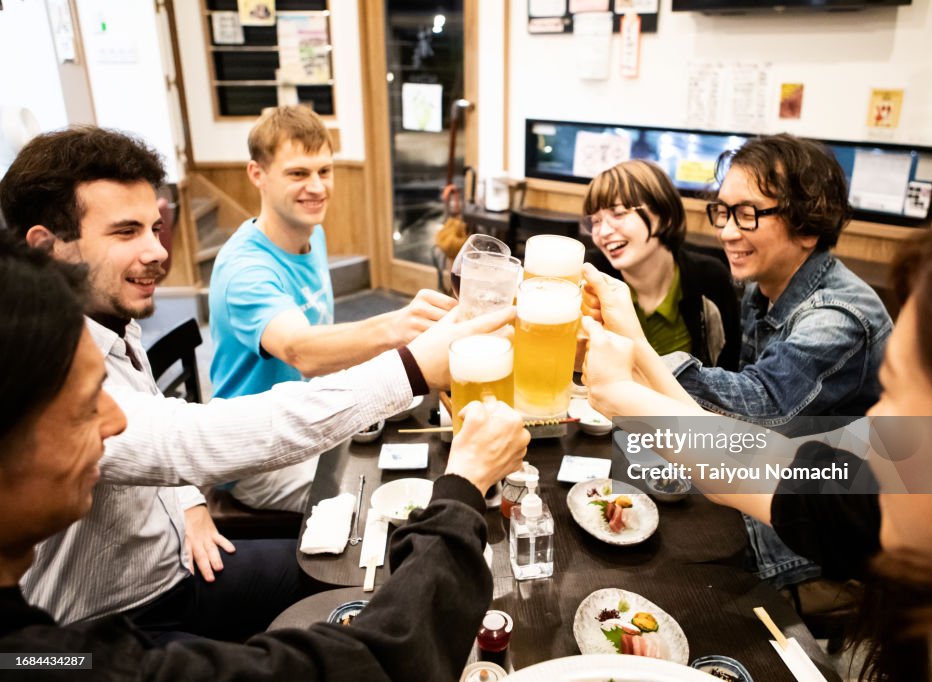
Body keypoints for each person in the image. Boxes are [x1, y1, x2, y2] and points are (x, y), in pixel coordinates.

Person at [0, 125, 512, 641]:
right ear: (47, 248)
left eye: (155, 228)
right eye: (125, 232)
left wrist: (188, 501)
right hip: (96, 631)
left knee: (361, 577)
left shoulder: (110, 317)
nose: (157, 251)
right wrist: (411, 365)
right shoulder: (37, 365)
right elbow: (188, 436)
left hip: (178, 566)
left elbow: (157, 427)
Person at [580, 201, 932, 679]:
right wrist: (634, 355)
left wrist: (623, 391)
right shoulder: (899, 500)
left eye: (898, 393)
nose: (874, 422)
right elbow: (746, 463)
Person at [583, 134, 893, 587]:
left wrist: (633, 357)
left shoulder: (838, 317)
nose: (727, 232)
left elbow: (759, 406)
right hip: (751, 474)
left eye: (747, 214)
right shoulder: (760, 290)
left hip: (819, 527)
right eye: (723, 212)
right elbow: (726, 426)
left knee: (643, 570)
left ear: (808, 226)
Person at [209, 105, 457, 512]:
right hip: (257, 453)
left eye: (324, 171)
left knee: (419, 458)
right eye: (298, 174)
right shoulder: (245, 269)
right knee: (377, 506)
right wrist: (396, 326)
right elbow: (299, 349)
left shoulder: (312, 233)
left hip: (307, 415)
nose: (317, 187)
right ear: (257, 174)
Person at [581, 159, 740, 370]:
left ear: (664, 216)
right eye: (596, 221)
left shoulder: (709, 278)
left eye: (618, 213)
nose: (603, 232)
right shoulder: (590, 276)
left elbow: (730, 369)